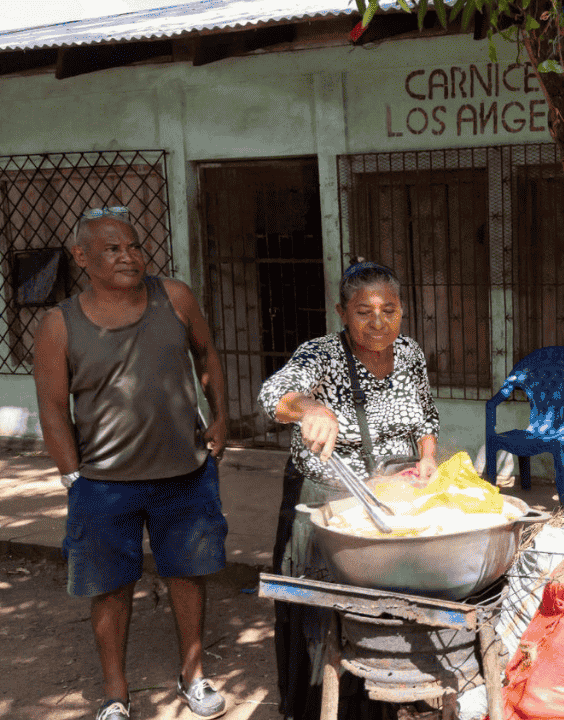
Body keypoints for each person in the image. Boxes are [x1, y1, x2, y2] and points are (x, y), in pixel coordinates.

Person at [33, 208, 229, 720]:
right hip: (103, 483)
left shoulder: (175, 298)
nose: (129, 256)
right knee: (109, 586)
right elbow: (53, 407)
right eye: (113, 249)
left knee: (187, 575)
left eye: (135, 246)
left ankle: (193, 675)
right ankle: (116, 695)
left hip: (183, 474)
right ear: (82, 257)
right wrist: (73, 475)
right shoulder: (60, 324)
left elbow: (207, 354)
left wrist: (222, 417)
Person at [258, 260, 439, 720]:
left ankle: (387, 692)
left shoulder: (411, 353)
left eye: (389, 309)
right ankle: (316, 706)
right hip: (326, 498)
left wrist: (428, 458)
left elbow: (425, 416)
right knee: (322, 613)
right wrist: (312, 407)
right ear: (342, 311)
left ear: (402, 311)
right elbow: (276, 396)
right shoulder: (322, 355)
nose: (378, 322)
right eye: (364, 311)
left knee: (389, 601)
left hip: (393, 495)